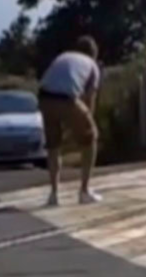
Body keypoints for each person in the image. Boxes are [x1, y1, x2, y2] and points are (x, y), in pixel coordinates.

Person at [38, 35, 102, 206]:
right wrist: (86, 127)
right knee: (91, 137)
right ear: (94, 54)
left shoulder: (64, 56)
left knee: (53, 145)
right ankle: (85, 190)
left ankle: (54, 194)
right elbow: (89, 101)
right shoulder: (92, 66)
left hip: (44, 96)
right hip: (66, 98)